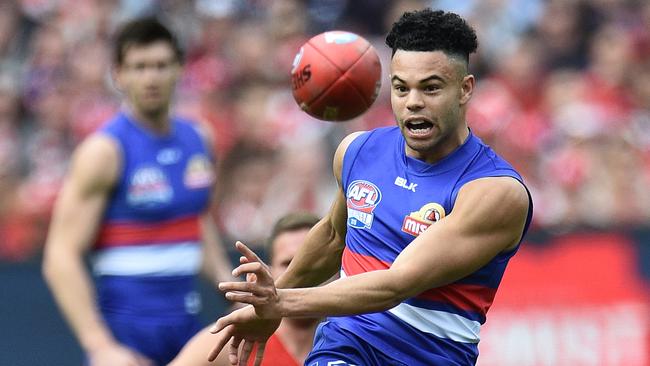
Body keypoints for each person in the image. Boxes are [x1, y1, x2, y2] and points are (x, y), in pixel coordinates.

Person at [209, 8, 533, 366]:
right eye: (401, 88)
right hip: (346, 346)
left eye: (431, 88)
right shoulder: (357, 151)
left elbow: (396, 283)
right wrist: (269, 303)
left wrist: (281, 303)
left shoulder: (495, 191)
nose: (413, 102)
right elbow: (334, 235)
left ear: (465, 89)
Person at [42, 18, 234, 366]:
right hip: (125, 341)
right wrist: (100, 345)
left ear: (180, 69)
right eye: (139, 67)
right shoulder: (105, 152)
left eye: (161, 66)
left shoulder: (199, 140)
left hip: (187, 331)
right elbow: (60, 256)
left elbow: (196, 220)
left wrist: (230, 289)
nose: (151, 78)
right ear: (118, 74)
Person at [169, 211, 323, 366]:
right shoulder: (236, 339)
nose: (302, 272)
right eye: (288, 263)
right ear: (270, 272)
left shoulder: (345, 335)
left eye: (312, 261)